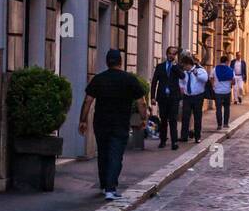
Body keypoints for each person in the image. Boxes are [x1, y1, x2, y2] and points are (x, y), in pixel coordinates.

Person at [78, 49, 147, 201]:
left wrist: (82, 120)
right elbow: (141, 102)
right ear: (121, 62)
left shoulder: (99, 79)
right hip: (120, 122)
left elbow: (88, 100)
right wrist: (144, 118)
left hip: (101, 122)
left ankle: (104, 186)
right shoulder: (129, 79)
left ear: (107, 62)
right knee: (115, 155)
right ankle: (111, 188)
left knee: (103, 154)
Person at [150, 45, 182, 150]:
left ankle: (174, 142)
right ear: (166, 54)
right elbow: (154, 82)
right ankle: (163, 140)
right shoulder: (160, 66)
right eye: (170, 53)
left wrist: (175, 66)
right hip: (162, 97)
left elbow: (182, 76)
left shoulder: (177, 66)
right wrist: (152, 97)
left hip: (174, 97)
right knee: (163, 120)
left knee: (173, 120)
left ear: (175, 56)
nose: (171, 56)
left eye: (173, 54)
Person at [179, 54, 208, 142]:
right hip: (187, 96)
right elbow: (181, 80)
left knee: (197, 117)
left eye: (184, 65)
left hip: (198, 96)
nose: (184, 67)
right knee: (185, 116)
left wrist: (196, 74)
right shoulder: (184, 72)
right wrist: (182, 88)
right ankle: (184, 136)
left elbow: (205, 79)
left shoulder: (200, 70)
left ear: (188, 64)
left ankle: (197, 137)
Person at [209, 54, 235, 129]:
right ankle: (226, 124)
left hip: (217, 92)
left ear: (220, 61)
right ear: (227, 61)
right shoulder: (230, 70)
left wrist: (213, 85)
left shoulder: (215, 69)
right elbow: (233, 81)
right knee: (227, 108)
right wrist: (230, 84)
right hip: (227, 91)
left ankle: (219, 125)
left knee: (218, 108)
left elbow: (211, 77)